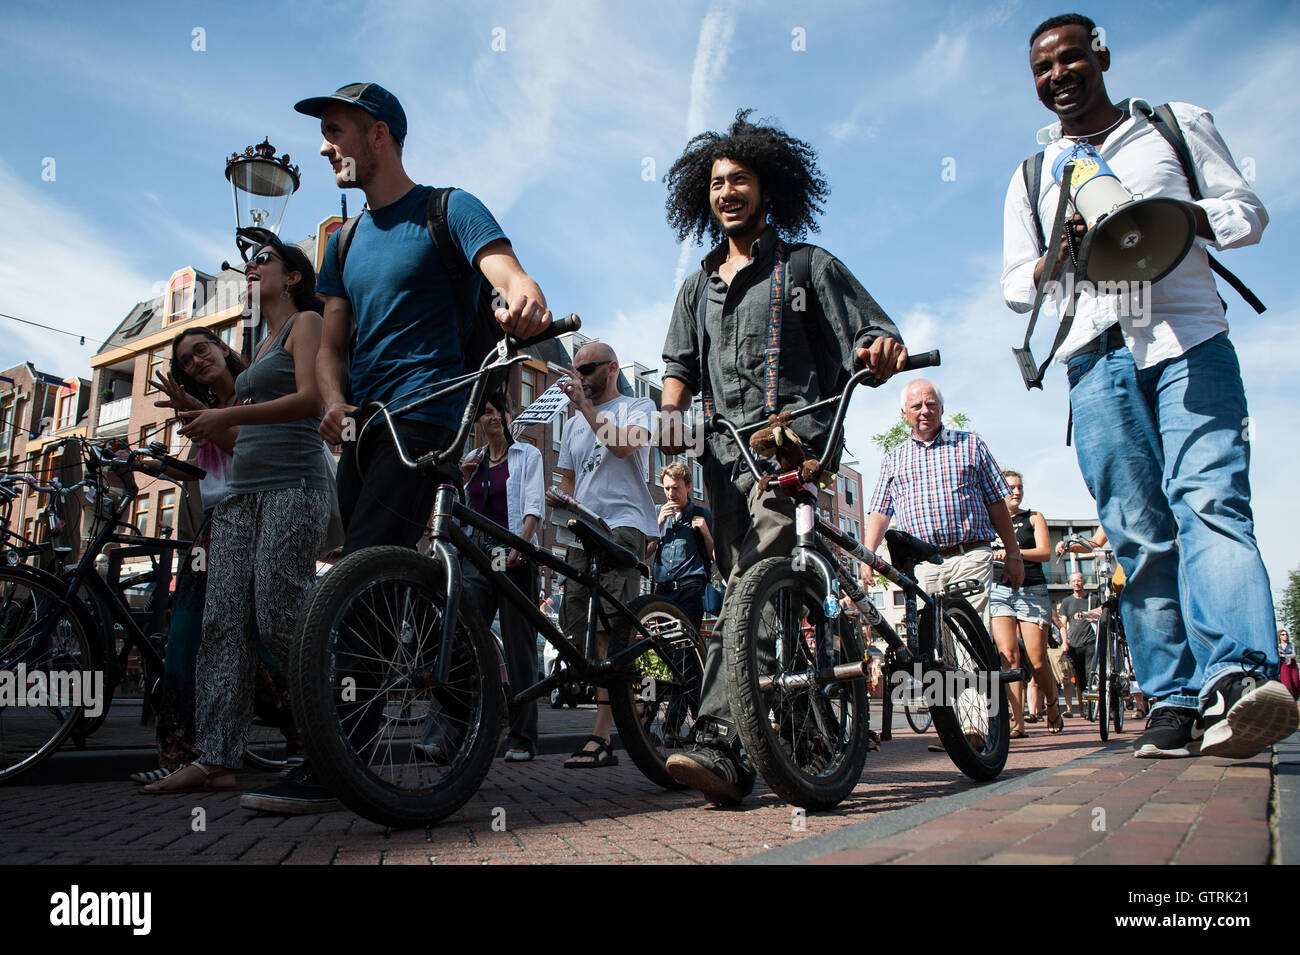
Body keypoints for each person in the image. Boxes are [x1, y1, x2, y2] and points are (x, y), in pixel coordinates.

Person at [239, 83, 551, 813]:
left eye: (336, 131)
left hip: (431, 410)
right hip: (366, 426)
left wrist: (523, 296)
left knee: (363, 570)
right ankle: (463, 688)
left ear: (378, 134)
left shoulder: (448, 208)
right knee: (383, 574)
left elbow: (505, 273)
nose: (325, 147)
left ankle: (335, 752)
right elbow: (334, 344)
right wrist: (334, 397)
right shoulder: (341, 244)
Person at [1002, 14, 1295, 758]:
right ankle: (1171, 698)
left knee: (1211, 497)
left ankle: (1237, 679)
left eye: (1071, 58)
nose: (1059, 75)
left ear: (1100, 55)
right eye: (1043, 68)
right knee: (1138, 533)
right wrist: (1057, 259)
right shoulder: (1033, 175)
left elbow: (1246, 212)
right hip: (1095, 356)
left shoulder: (1173, 126)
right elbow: (1014, 285)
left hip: (1188, 337)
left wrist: (1173, 219)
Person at [657, 109, 907, 804]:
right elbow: (678, 369)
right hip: (720, 455)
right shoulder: (695, 286)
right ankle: (800, 724)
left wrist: (880, 349)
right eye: (716, 182)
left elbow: (873, 331)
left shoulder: (806, 264)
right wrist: (668, 420)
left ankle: (720, 739)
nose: (727, 191)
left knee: (755, 574)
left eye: (740, 179)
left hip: (793, 443)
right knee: (749, 589)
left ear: (768, 189)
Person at [143, 235, 332, 796]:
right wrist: (200, 415)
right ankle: (218, 757)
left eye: (262, 260)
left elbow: (312, 401)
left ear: (293, 276)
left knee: (279, 616)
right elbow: (240, 434)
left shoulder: (305, 326)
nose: (251, 269)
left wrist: (223, 413)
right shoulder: (261, 338)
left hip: (292, 486)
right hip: (243, 495)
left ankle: (330, 740)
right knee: (222, 624)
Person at [862, 380, 1022, 753]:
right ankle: (957, 727)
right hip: (926, 566)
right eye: (915, 405)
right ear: (904, 414)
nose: (923, 410)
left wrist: (1012, 553)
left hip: (970, 554)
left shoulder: (971, 444)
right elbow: (880, 510)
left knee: (970, 639)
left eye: (930, 403)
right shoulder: (894, 458)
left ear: (941, 408)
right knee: (940, 649)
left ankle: (972, 727)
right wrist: (868, 555)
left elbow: (998, 502)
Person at [547, 343, 658, 768]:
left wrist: (584, 408)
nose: (580, 377)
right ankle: (634, 692)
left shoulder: (637, 407)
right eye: (576, 371)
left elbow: (623, 448)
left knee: (611, 629)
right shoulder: (574, 426)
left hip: (624, 523)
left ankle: (603, 734)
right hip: (583, 529)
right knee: (580, 629)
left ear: (611, 368)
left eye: (587, 369)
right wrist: (559, 500)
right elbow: (571, 481)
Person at [456, 390, 545, 761]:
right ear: (478, 421)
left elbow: (533, 506)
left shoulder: (529, 455)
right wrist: (462, 479)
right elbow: (463, 513)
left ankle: (522, 738)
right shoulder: (472, 464)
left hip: (511, 551)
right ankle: (449, 735)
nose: (493, 418)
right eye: (486, 413)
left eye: (498, 411)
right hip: (477, 553)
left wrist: (520, 546)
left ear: (511, 415)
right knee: (462, 639)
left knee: (518, 646)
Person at [990, 469, 1060, 736]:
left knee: (1037, 660)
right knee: (1008, 656)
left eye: (1019, 487)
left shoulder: (1034, 517)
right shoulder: (990, 519)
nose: (1016, 491)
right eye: (1010, 487)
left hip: (1031, 590)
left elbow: (1044, 553)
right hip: (999, 591)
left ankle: (1051, 704)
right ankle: (1017, 722)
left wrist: (1012, 552)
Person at [652, 461, 715, 635]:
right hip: (663, 591)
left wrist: (706, 533)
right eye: (666, 488)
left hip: (690, 590)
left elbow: (715, 556)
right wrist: (658, 524)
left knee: (686, 643)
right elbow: (645, 552)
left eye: (675, 488)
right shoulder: (658, 512)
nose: (670, 494)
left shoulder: (703, 514)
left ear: (688, 487)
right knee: (665, 646)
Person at [1055, 571, 1098, 722]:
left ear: (1084, 581)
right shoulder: (1067, 602)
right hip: (1074, 644)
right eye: (1074, 581)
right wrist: (1064, 642)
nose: (1077, 583)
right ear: (1070, 583)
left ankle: (1092, 706)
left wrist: (1087, 614)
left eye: (1079, 580)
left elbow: (1100, 614)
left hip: (1090, 642)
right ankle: (1083, 708)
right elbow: (1062, 623)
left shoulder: (1093, 599)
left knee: (1090, 675)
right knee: (1079, 679)